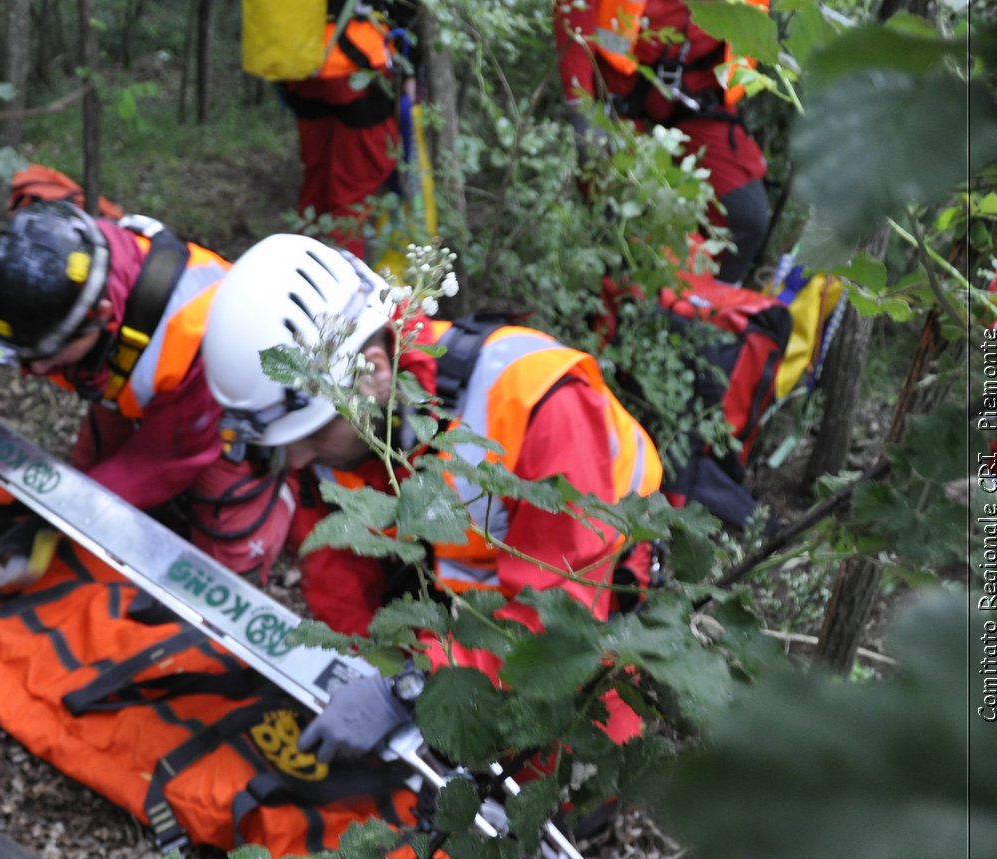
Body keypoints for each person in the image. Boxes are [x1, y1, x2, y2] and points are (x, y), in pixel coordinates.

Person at [200, 234, 662, 762]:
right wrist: (363, 668)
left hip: (595, 596)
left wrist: (408, 688)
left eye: (309, 437)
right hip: (465, 605)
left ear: (372, 371)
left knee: (555, 766)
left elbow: (561, 627)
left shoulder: (538, 403)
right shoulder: (351, 423)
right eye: (288, 445)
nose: (300, 460)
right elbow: (340, 569)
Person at [0, 201, 295, 580]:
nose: (33, 372)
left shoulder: (199, 337)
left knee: (230, 552)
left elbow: (163, 459)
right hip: (132, 387)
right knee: (87, 479)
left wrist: (59, 520)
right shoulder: (12, 289)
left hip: (219, 412)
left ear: (99, 315)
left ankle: (285, 487)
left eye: (45, 356)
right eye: (17, 357)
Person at [555, 0, 770, 285]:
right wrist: (580, 108)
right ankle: (617, 305)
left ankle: (713, 313)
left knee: (746, 218)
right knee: (622, 209)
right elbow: (574, 13)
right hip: (620, 84)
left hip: (697, 96)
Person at [283, 2, 410, 259]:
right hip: (356, 62)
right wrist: (412, 68)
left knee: (316, 183)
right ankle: (349, 286)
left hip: (301, 59)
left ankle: (300, 274)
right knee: (352, 196)